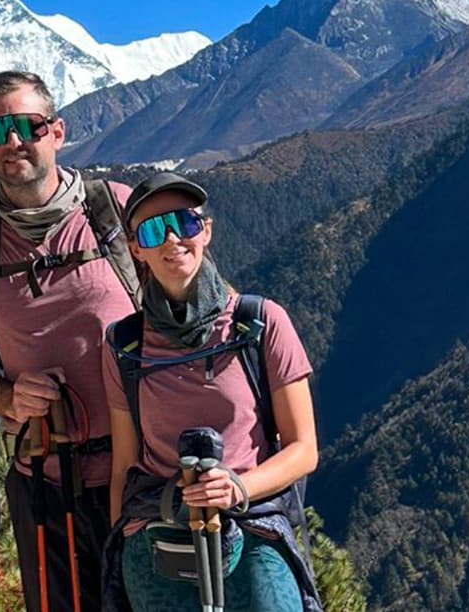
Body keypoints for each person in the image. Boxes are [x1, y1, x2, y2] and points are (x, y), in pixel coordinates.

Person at [0, 71, 139, 612]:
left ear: (57, 131)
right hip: (46, 487)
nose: (11, 143)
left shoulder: (116, 214)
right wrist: (9, 398)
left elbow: (203, 314)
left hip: (145, 474)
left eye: (26, 125)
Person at [101, 171, 322, 611]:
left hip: (251, 523)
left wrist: (237, 486)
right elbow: (125, 466)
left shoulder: (259, 323)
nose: (171, 240)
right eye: (152, 229)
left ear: (206, 229)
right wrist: (122, 543)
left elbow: (304, 450)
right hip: (155, 535)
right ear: (134, 248)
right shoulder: (123, 345)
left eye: (183, 223)